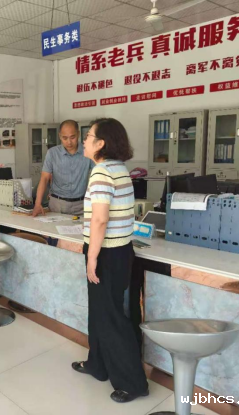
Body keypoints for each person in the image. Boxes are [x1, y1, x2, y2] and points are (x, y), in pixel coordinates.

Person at [72, 118, 149, 403]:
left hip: (106, 253)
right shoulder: (119, 168)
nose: (84, 140)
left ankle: (133, 383)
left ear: (101, 143)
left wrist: (92, 257)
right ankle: (98, 364)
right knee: (100, 313)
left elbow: (100, 219)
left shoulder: (102, 171)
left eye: (88, 136)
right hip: (120, 250)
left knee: (111, 317)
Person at [32, 120, 93, 217]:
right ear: (60, 136)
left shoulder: (88, 152)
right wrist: (37, 204)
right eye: (65, 138)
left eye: (72, 137)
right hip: (57, 204)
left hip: (81, 205)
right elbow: (44, 178)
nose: (69, 142)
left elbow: (99, 173)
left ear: (78, 134)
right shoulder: (52, 153)